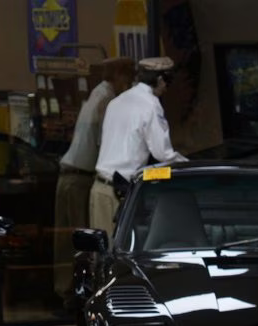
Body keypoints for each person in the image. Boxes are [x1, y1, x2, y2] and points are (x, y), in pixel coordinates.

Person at [53, 58, 133, 295]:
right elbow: (104, 143)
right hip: (80, 179)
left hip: (67, 175)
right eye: (128, 79)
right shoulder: (108, 100)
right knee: (83, 242)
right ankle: (78, 295)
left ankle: (63, 292)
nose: (128, 85)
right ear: (119, 76)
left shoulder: (96, 94)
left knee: (64, 242)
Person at [91, 56, 185, 236]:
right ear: (160, 79)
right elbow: (163, 154)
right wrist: (189, 165)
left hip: (99, 188)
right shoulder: (151, 105)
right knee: (117, 249)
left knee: (101, 249)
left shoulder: (117, 101)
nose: (167, 88)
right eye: (168, 82)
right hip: (117, 194)